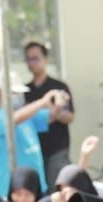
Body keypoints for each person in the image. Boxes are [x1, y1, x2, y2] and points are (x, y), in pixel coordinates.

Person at [0, 72, 67, 200]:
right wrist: (42, 102)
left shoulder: (29, 115)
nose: (18, 96)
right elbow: (13, 119)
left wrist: (58, 105)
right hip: (11, 190)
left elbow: (51, 116)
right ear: (0, 93)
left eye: (19, 93)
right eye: (14, 93)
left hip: (36, 188)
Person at [23, 42, 75, 186]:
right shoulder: (24, 91)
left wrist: (54, 112)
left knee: (59, 189)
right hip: (32, 150)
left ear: (45, 59)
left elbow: (70, 116)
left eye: (35, 58)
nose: (32, 63)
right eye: (28, 59)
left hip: (57, 149)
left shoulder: (58, 87)